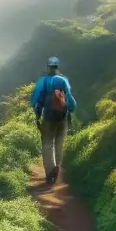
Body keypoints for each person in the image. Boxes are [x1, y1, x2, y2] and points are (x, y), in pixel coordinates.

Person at [30, 56, 77, 185]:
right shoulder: (63, 80)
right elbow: (70, 99)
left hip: (49, 118)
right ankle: (57, 166)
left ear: (48, 66)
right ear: (57, 67)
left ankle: (50, 169)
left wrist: (37, 114)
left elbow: (35, 100)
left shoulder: (43, 81)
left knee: (47, 144)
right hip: (62, 117)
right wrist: (70, 110)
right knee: (59, 143)